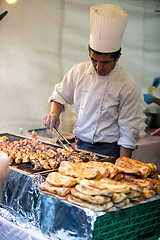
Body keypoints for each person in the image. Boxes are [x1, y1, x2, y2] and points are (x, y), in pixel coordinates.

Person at [43, 4, 143, 159]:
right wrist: (54, 113)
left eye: (104, 62)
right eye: (93, 60)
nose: (98, 67)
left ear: (117, 57)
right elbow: (60, 96)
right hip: (80, 146)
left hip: (110, 151)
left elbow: (128, 131)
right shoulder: (79, 71)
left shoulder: (127, 85)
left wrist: (123, 165)